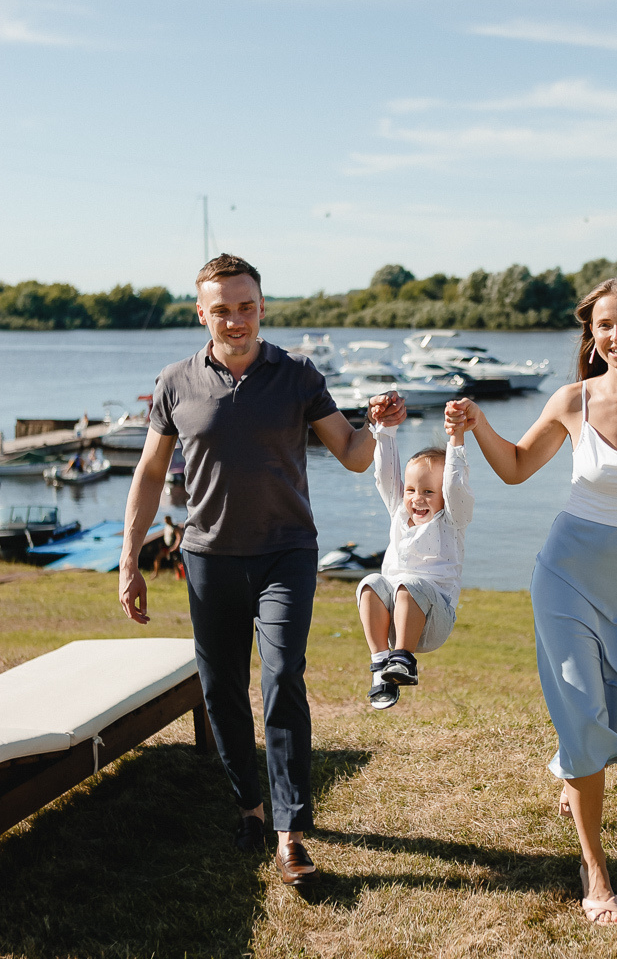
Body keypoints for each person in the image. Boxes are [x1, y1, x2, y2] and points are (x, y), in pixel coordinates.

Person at [119, 253, 405, 886]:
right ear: (202, 313)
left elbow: (353, 456)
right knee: (222, 692)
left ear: (261, 308)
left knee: (282, 680)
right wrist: (130, 559)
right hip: (209, 559)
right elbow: (147, 476)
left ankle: (289, 830)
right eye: (222, 309)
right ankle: (250, 806)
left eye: (246, 307)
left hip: (286, 555)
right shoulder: (175, 383)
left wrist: (377, 427)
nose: (236, 319)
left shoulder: (298, 375)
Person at [445, 276, 617, 925]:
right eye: (602, 326)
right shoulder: (572, 400)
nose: (614, 336)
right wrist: (477, 423)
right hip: (565, 574)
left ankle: (573, 770)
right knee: (582, 717)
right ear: (589, 337)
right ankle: (594, 868)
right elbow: (512, 467)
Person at [357, 424, 474, 709]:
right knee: (370, 583)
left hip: (434, 621)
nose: (416, 498)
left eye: (428, 491)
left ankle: (404, 659)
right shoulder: (399, 510)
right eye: (410, 489)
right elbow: (385, 475)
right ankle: (381, 665)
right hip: (394, 622)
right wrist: (385, 429)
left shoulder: (451, 520)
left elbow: (456, 484)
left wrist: (456, 440)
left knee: (409, 585)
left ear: (444, 496)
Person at [152, 514, 183, 579]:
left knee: (176, 562)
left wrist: (175, 547)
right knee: (158, 557)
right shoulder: (166, 527)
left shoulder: (175, 528)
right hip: (166, 547)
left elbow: (178, 538)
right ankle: (156, 573)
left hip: (173, 547)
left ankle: (179, 577)